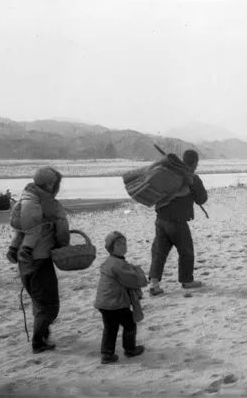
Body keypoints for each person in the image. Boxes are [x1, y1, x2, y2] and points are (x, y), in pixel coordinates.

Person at [17, 166, 70, 353]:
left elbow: (18, 227)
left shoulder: (26, 199)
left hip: (23, 259)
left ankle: (43, 334)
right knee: (49, 305)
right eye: (55, 184)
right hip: (41, 259)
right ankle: (38, 341)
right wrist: (63, 246)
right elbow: (63, 231)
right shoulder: (51, 205)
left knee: (38, 301)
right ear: (50, 184)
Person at [148, 149, 208, 296]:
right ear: (195, 163)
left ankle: (154, 284)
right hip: (177, 221)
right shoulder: (191, 177)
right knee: (186, 252)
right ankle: (187, 281)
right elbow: (202, 199)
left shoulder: (169, 173)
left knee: (159, 252)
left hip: (161, 219)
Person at [94, 231, 148, 364]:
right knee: (129, 325)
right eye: (119, 244)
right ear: (111, 247)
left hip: (103, 303)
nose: (123, 246)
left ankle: (107, 354)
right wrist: (139, 273)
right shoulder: (118, 265)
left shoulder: (110, 262)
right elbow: (135, 281)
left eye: (124, 243)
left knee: (110, 328)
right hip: (115, 303)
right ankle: (130, 349)